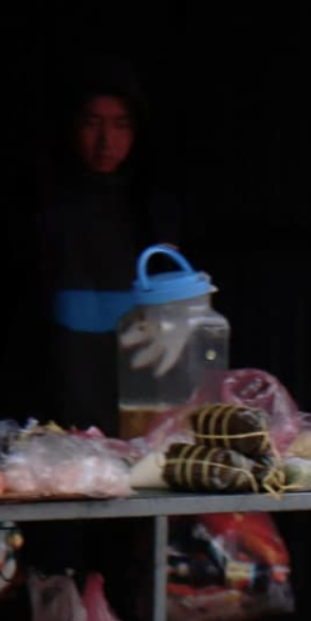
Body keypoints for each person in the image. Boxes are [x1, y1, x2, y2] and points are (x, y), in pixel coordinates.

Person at [19, 62, 186, 431]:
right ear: (71, 126)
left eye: (121, 125)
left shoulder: (153, 205)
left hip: (132, 381)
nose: (106, 141)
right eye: (92, 123)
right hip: (56, 385)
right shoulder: (40, 204)